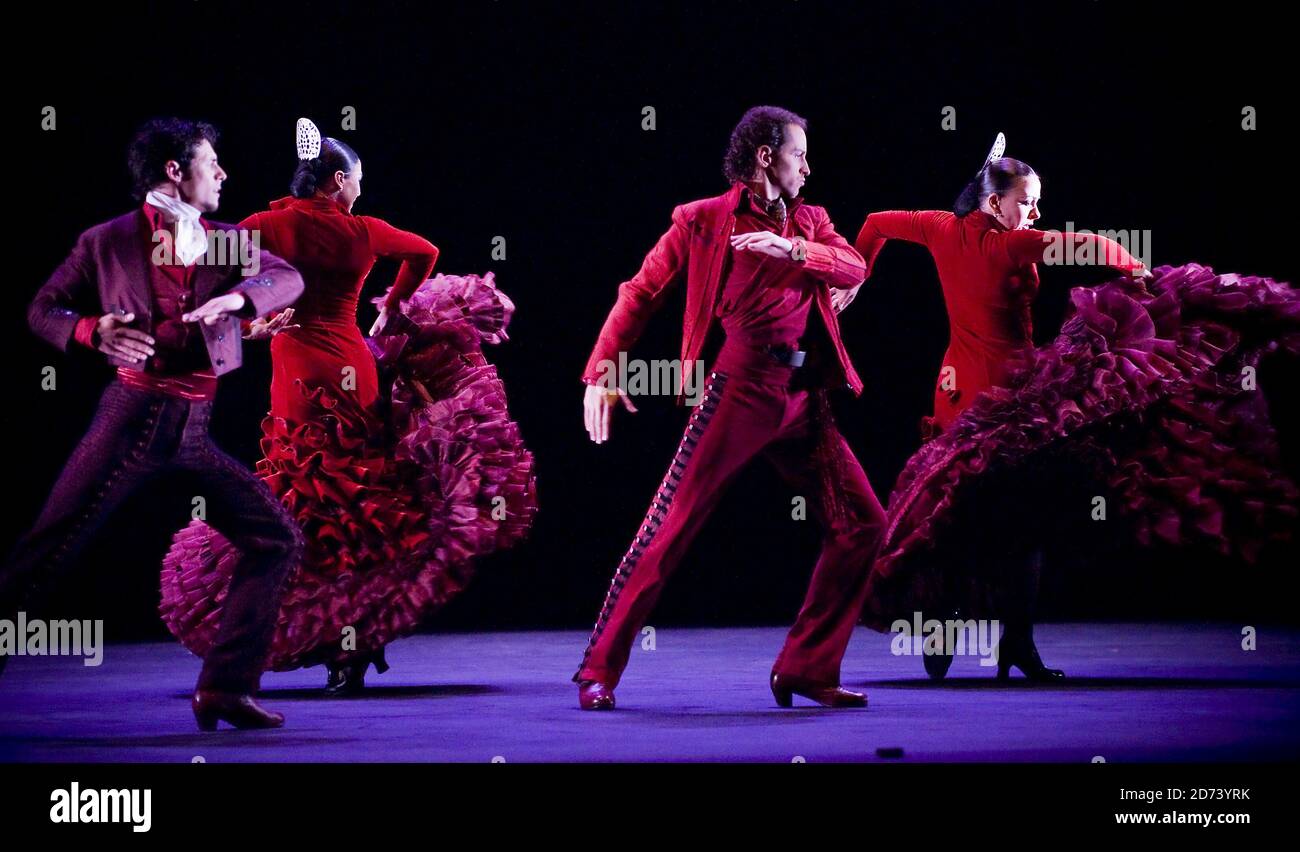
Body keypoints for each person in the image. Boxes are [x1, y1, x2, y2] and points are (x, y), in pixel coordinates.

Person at [846, 136, 1297, 680]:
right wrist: (1135, 270)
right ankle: (1011, 642)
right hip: (1009, 394)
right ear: (994, 204)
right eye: (1028, 202)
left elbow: (873, 222)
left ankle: (951, 623)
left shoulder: (940, 226)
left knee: (958, 504)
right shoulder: (1010, 246)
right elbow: (1083, 243)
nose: (1036, 213)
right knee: (1019, 519)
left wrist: (856, 278)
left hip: (954, 387)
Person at [161, 119, 537, 694]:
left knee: (306, 493)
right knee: (361, 496)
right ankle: (352, 643)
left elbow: (205, 265)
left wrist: (253, 320)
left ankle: (286, 632)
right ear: (337, 181)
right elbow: (425, 252)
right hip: (350, 358)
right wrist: (393, 309)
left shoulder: (267, 224)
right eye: (359, 179)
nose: (362, 188)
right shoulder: (363, 231)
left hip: (296, 363)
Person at [573, 105, 885, 710]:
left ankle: (804, 668)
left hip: (802, 396)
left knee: (863, 523)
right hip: (738, 389)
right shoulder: (702, 221)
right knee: (670, 527)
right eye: (798, 154)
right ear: (766, 157)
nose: (808, 166)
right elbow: (638, 293)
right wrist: (602, 371)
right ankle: (598, 670)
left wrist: (793, 249)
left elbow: (855, 264)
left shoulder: (810, 220)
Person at [2, 118, 305, 731]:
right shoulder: (108, 241)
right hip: (131, 421)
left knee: (276, 538)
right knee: (44, 553)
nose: (222, 173)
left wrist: (239, 300)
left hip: (192, 429)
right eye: (210, 162)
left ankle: (223, 689)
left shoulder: (221, 240)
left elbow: (287, 276)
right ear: (175, 170)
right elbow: (42, 309)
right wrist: (91, 330)